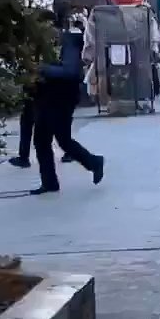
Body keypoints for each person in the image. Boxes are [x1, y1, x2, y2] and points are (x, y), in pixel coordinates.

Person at [31, 20, 106, 195]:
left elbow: (70, 72)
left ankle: (94, 162)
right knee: (42, 141)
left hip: (62, 100)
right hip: (45, 97)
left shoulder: (68, 43)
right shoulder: (42, 46)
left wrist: (41, 69)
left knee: (63, 140)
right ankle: (49, 182)